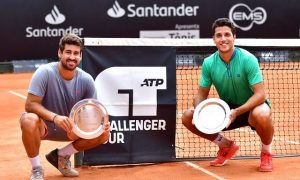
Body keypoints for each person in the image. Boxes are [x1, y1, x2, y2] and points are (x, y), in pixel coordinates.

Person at [181, 18, 274, 172]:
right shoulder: (209, 63)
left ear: (234, 37)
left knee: (262, 114)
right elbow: (201, 94)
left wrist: (237, 112)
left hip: (251, 108)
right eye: (219, 35)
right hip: (227, 110)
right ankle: (225, 145)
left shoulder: (248, 59)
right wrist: (199, 111)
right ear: (213, 39)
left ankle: (266, 152)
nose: (223, 39)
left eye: (227, 34)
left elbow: (261, 94)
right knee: (188, 116)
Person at [20, 33, 111, 180]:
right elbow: (30, 104)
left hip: (71, 130)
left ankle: (60, 156)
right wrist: (55, 118)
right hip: (44, 126)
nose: (72, 57)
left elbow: (93, 112)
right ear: (59, 53)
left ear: (80, 56)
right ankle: (37, 169)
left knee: (104, 133)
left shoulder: (86, 80)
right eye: (68, 52)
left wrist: (99, 126)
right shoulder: (45, 72)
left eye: (76, 53)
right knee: (28, 119)